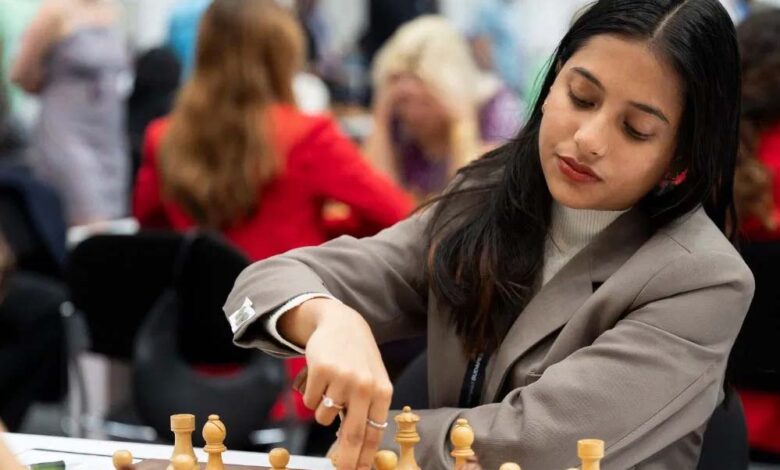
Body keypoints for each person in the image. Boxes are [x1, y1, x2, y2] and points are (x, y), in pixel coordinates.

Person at [223, 0, 754, 468]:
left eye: (636, 130)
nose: (588, 139)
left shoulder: (702, 278)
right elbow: (264, 282)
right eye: (581, 97)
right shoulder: (483, 196)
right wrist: (325, 316)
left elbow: (532, 443)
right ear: (551, 84)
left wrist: (368, 434)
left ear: (680, 157)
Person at [134, 0, 413, 424]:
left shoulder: (163, 137)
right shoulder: (308, 135)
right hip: (291, 362)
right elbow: (398, 217)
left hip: (189, 361)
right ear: (283, 56)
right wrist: (329, 228)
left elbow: (153, 233)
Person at [364, 16, 522, 201]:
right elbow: (376, 198)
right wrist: (381, 120)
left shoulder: (496, 108)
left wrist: (461, 123)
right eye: (404, 102)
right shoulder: (396, 120)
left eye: (424, 102)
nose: (412, 114)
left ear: (450, 88)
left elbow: (472, 201)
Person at [10, 0, 130, 226]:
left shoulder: (112, 10)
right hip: (67, 132)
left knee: (113, 219)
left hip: (108, 136)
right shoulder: (55, 11)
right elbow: (21, 73)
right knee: (88, 215)